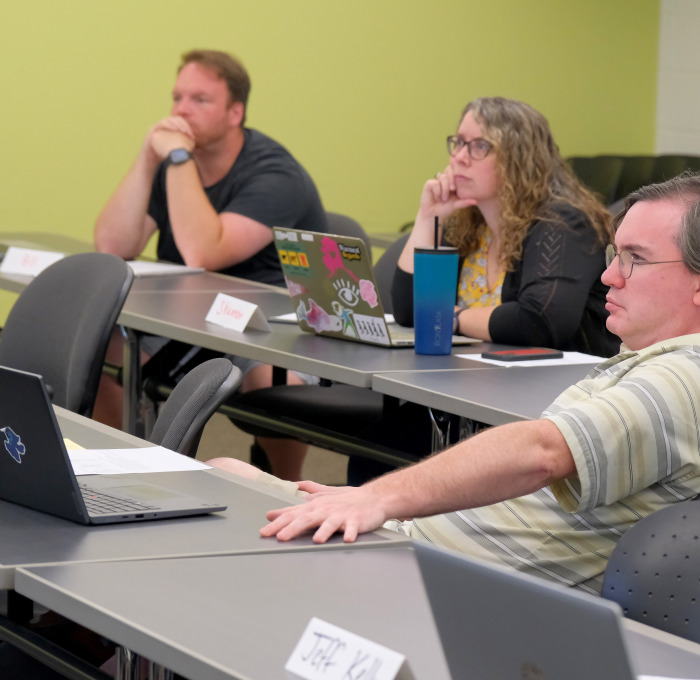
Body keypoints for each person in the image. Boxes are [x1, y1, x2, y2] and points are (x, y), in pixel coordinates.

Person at [211, 172, 700, 594]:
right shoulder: (648, 361)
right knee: (225, 473)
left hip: (442, 583)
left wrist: (372, 498)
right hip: (416, 546)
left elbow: (543, 453)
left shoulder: (683, 375)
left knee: (221, 491)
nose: (609, 275)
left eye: (635, 258)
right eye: (615, 254)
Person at [94, 49, 327, 480]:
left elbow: (205, 252)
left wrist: (177, 159)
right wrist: (149, 158)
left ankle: (286, 483)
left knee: (270, 382)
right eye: (177, 97)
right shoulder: (176, 166)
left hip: (269, 327)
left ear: (235, 112)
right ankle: (120, 471)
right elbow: (112, 243)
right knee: (96, 348)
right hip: (191, 318)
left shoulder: (274, 175)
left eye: (200, 100)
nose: (182, 110)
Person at [392, 96, 619, 357]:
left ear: (519, 159)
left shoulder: (563, 222)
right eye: (459, 143)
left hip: (557, 388)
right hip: (472, 380)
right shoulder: (469, 223)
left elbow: (540, 322)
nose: (460, 157)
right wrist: (429, 216)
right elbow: (410, 312)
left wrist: (449, 317)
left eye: (479, 146)